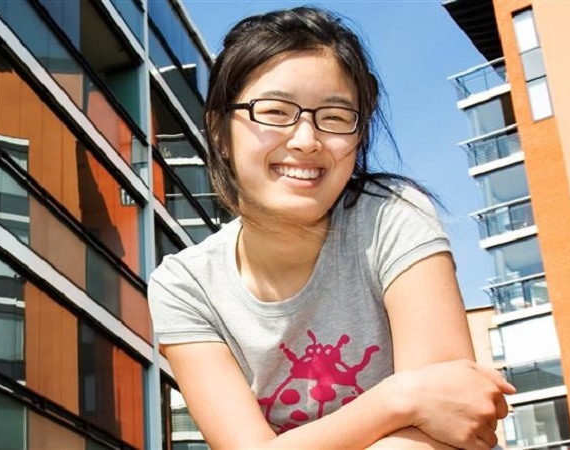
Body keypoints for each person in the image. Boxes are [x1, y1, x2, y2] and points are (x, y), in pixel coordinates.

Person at [148, 6, 515, 449]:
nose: (306, 140)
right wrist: (400, 398)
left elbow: (452, 418)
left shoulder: (391, 217)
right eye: (275, 111)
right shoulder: (184, 285)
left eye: (336, 117)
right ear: (220, 133)